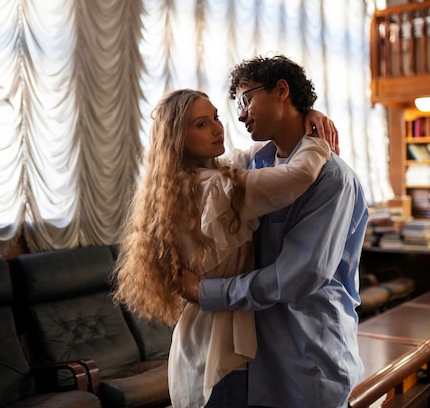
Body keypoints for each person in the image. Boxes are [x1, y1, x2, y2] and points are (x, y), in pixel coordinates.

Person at [111, 88, 336, 408]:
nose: (218, 127)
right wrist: (316, 137)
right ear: (178, 138)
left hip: (200, 339)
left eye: (216, 117)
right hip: (222, 347)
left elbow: (248, 153)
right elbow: (299, 174)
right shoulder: (218, 188)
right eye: (202, 124)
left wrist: (303, 118)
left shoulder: (186, 181)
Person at [180, 55, 369, 408]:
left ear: (281, 90)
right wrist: (311, 115)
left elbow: (295, 277)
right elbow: (194, 162)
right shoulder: (255, 164)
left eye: (246, 99)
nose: (239, 114)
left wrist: (207, 292)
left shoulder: (332, 178)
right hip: (255, 355)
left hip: (309, 351)